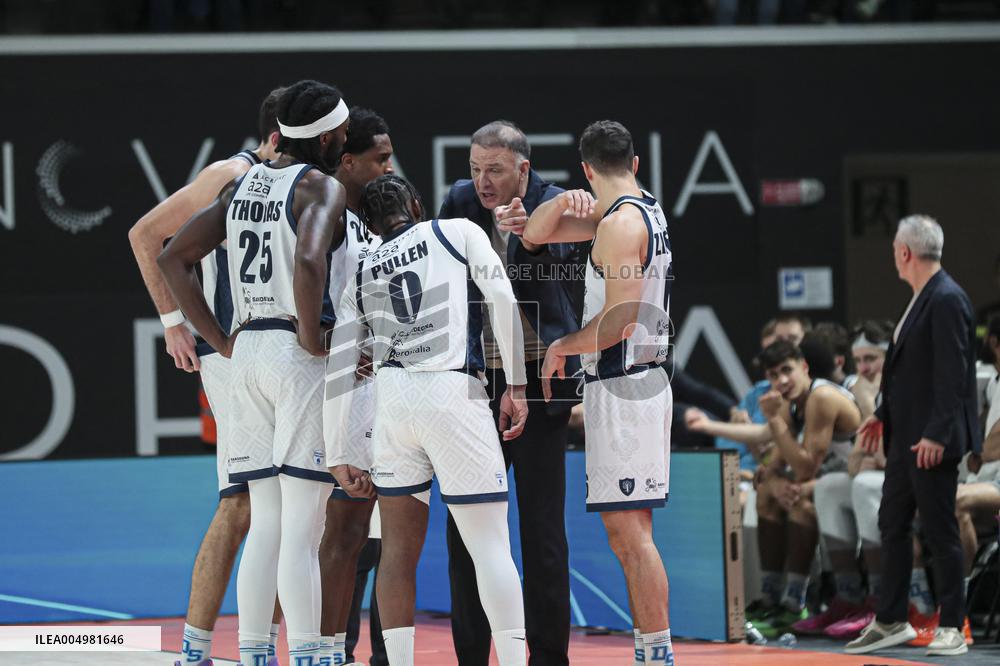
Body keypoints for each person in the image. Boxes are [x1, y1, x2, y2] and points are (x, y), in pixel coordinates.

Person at [158, 79, 349, 666]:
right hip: (293, 352)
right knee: (304, 525)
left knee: (265, 520)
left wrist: (219, 340)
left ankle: (253, 654)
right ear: (327, 136)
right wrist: (314, 337)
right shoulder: (320, 186)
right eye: (343, 132)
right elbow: (310, 259)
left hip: (246, 354)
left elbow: (172, 257)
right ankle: (309, 654)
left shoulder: (242, 185)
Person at [326, 174, 530, 666]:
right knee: (491, 547)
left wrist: (337, 453)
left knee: (397, 554)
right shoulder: (456, 230)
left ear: (370, 227)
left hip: (393, 403)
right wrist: (518, 385)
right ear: (417, 205)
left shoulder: (362, 271)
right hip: (452, 390)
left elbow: (339, 366)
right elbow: (502, 300)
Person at [127, 88, 283, 666]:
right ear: (277, 137)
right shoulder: (228, 175)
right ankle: (196, 650)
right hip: (235, 356)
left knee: (291, 508)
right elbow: (147, 235)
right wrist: (174, 324)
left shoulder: (298, 182)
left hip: (282, 357)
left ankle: (261, 648)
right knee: (243, 503)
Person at [519, 120, 675, 666]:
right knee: (628, 533)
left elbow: (620, 321)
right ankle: (652, 652)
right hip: (636, 381)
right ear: (635, 163)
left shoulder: (619, 226)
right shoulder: (640, 210)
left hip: (626, 384)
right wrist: (563, 202)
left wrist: (563, 345)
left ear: (587, 167)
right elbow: (532, 235)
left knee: (631, 536)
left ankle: (657, 656)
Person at [439, 120, 579, 666]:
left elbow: (562, 274)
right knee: (467, 529)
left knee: (542, 531)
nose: (483, 181)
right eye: (475, 169)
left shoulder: (556, 202)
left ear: (523, 168)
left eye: (494, 170)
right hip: (477, 383)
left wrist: (530, 239)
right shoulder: (459, 202)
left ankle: (548, 657)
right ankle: (472, 656)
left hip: (541, 379)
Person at [846, 215, 981, 657]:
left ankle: (953, 625)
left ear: (904, 253)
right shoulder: (924, 297)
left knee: (940, 531)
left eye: (894, 251)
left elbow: (953, 374)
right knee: (892, 523)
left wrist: (938, 435)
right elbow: (909, 375)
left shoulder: (946, 298)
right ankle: (890, 619)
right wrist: (881, 413)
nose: (894, 258)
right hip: (906, 437)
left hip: (930, 441)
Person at [687, 339, 862, 638]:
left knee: (800, 505)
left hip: (854, 480)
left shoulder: (822, 397)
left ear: (803, 367)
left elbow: (804, 467)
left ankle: (794, 603)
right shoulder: (792, 402)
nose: (781, 380)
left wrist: (773, 420)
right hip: (827, 483)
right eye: (773, 375)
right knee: (768, 493)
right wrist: (773, 479)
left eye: (787, 370)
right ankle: (771, 599)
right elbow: (771, 459)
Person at [319, 106, 395, 666]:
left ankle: (368, 653)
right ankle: (327, 651)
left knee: (371, 538)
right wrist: (339, 351)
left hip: (377, 396)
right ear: (347, 161)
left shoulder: (369, 228)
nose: (389, 168)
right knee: (339, 533)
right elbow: (316, 307)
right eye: (380, 159)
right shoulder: (321, 217)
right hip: (333, 393)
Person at [798, 320, 892, 640]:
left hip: (912, 479)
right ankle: (849, 596)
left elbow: (882, 454)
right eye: (859, 360)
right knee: (829, 487)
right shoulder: (861, 388)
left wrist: (866, 401)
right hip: (879, 475)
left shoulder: (901, 386)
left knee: (865, 485)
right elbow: (855, 462)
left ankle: (882, 600)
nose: (863, 369)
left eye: (872, 359)